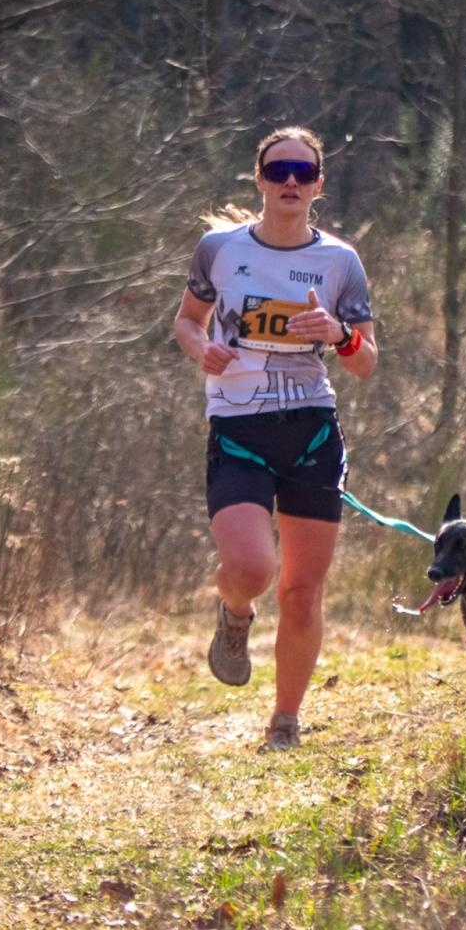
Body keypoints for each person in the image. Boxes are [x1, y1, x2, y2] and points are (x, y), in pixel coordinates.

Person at [173, 126, 378, 751]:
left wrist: (338, 333)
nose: (291, 182)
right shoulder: (219, 249)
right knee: (253, 568)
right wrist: (201, 348)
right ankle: (235, 612)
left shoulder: (340, 261)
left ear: (318, 186)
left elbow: (366, 361)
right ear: (259, 179)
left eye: (304, 173)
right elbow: (186, 318)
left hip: (311, 429)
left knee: (301, 588)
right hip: (238, 427)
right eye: (279, 170)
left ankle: (285, 721)